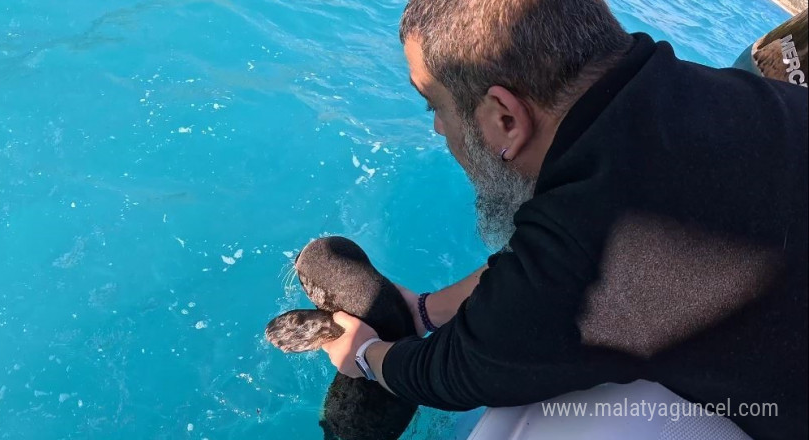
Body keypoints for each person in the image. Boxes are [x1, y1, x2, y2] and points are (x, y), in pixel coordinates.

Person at [319, 0, 808, 438]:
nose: (436, 126)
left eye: (436, 106)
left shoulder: (606, 236)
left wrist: (366, 356)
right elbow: (543, 268)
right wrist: (425, 311)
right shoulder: (717, 95)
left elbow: (457, 371)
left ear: (504, 118)